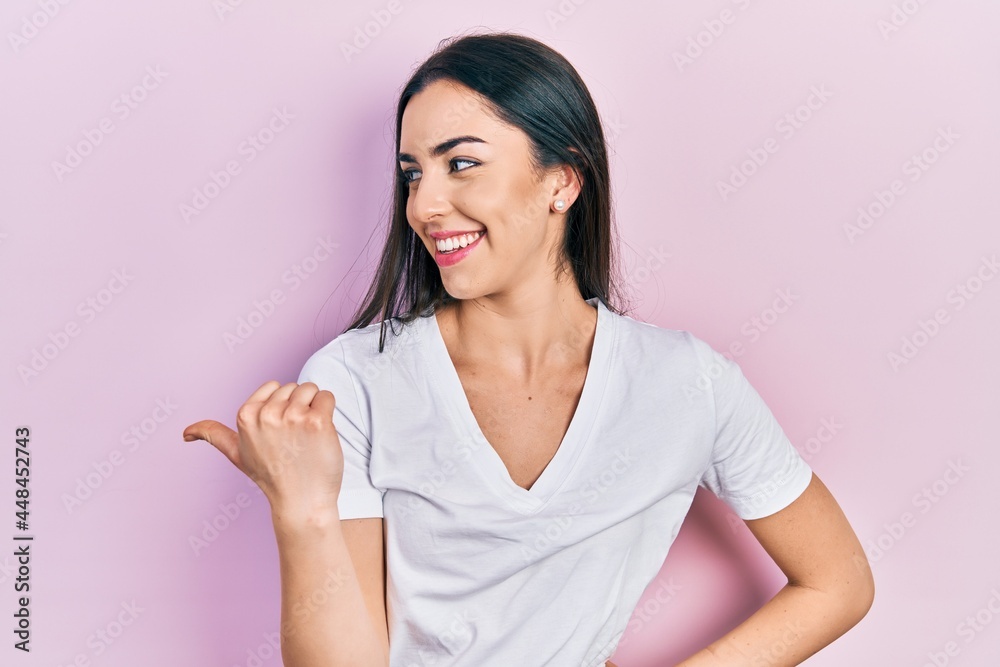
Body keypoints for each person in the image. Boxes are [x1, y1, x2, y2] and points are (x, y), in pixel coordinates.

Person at [182, 31, 875, 666]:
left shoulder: (687, 383)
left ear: (562, 181)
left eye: (461, 164)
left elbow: (838, 581)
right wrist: (301, 511)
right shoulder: (355, 380)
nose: (423, 205)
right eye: (412, 173)